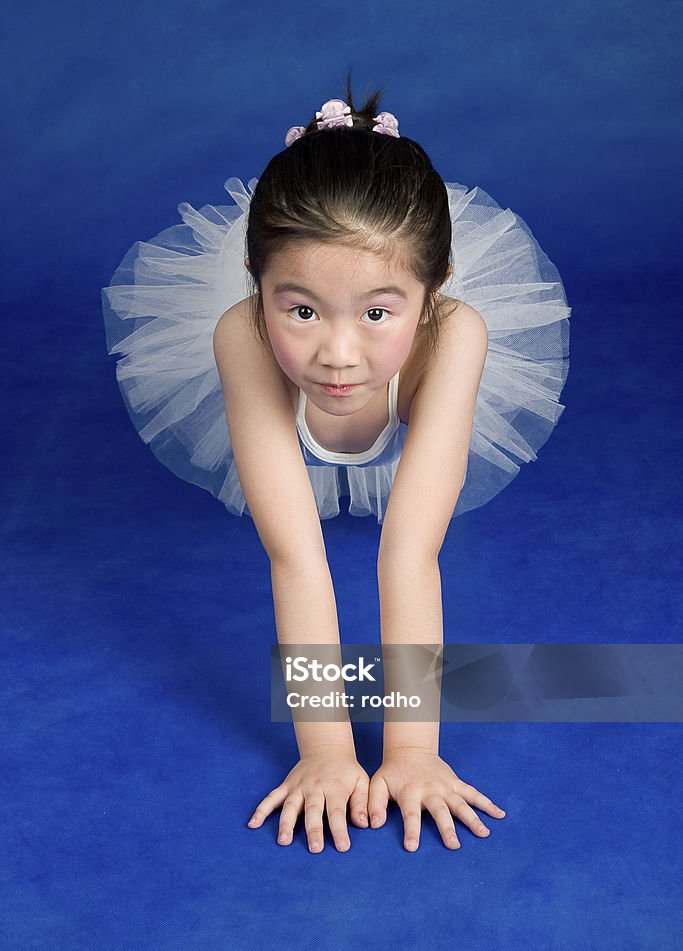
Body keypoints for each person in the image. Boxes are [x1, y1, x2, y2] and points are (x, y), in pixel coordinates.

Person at [101, 73, 571, 854]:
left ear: (433, 295)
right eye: (302, 310)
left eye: (378, 312)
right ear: (257, 288)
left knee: (400, 526)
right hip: (284, 413)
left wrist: (411, 752)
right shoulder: (242, 336)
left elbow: (409, 554)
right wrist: (325, 749)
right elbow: (295, 557)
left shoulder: (455, 336)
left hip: (418, 395)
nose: (338, 354)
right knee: (304, 525)